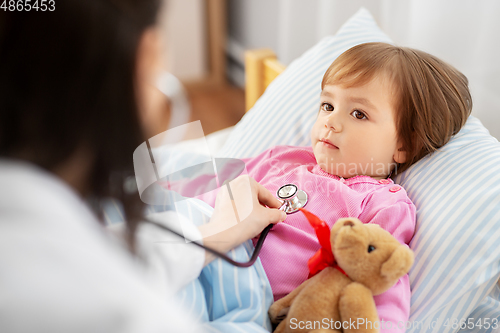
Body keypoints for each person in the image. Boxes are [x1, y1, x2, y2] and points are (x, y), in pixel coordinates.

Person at [0, 1, 285, 332]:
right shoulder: (128, 314)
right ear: (146, 57)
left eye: (359, 114)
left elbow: (105, 256)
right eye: (326, 105)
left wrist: (215, 234)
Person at [199, 42, 472, 332]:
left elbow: (383, 276)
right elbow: (212, 179)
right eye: (328, 105)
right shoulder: (285, 157)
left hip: (251, 298)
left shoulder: (382, 203)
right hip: (204, 248)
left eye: (358, 114)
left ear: (405, 144)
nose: (331, 121)